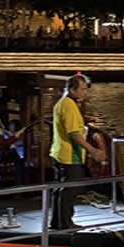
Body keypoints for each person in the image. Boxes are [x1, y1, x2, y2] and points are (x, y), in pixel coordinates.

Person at [49, 74, 105, 229]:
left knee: (62, 189)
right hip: (69, 154)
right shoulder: (69, 105)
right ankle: (65, 224)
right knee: (70, 189)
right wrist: (93, 150)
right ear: (72, 89)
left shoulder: (62, 103)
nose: (84, 93)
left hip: (59, 152)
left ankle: (57, 222)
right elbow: (74, 133)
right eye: (82, 89)